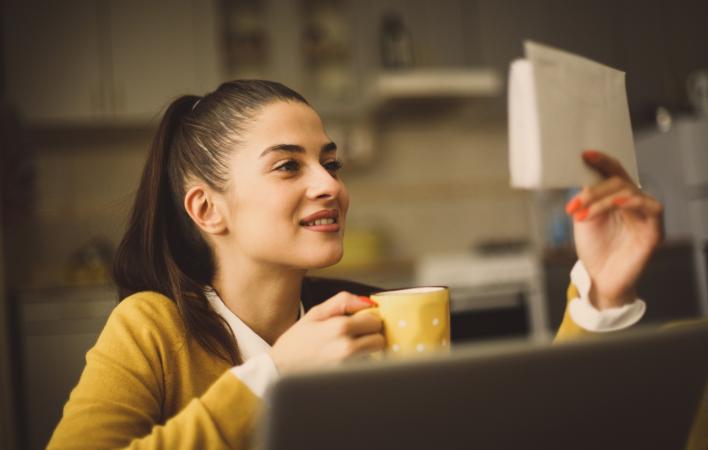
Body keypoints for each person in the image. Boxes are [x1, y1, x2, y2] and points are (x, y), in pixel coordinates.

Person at [48, 80, 666, 449]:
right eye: (290, 165)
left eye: (331, 163)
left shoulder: (376, 319)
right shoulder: (151, 330)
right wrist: (275, 378)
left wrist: (601, 298)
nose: (330, 186)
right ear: (207, 209)